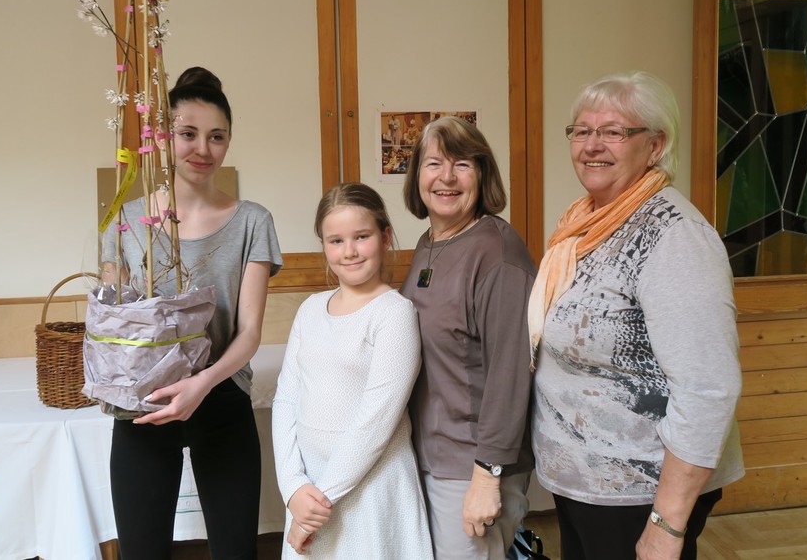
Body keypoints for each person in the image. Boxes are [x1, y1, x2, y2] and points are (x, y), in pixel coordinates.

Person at [529, 71, 744, 560]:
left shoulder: (673, 236)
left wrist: (666, 524)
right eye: (581, 131)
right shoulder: (586, 222)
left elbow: (709, 388)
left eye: (613, 131)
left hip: (639, 492)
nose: (592, 145)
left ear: (655, 145)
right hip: (588, 485)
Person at [101, 67, 283, 560]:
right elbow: (115, 325)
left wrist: (200, 385)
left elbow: (249, 332)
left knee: (236, 551)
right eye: (188, 134)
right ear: (164, 138)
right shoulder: (126, 223)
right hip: (145, 405)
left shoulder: (252, 222)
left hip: (222, 398)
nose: (203, 148)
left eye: (217, 136)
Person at [400, 116, 537, 560]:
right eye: (434, 163)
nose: (446, 177)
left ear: (482, 174)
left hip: (471, 464)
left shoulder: (497, 252)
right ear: (417, 175)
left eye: (462, 164)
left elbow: (510, 374)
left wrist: (486, 476)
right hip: (429, 453)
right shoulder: (429, 243)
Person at [272, 182, 434, 558]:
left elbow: (375, 422)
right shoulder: (310, 309)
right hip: (308, 490)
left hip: (371, 489)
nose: (349, 251)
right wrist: (293, 487)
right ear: (324, 245)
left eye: (361, 237)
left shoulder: (394, 313)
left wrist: (317, 506)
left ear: (385, 236)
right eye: (336, 240)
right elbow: (286, 400)